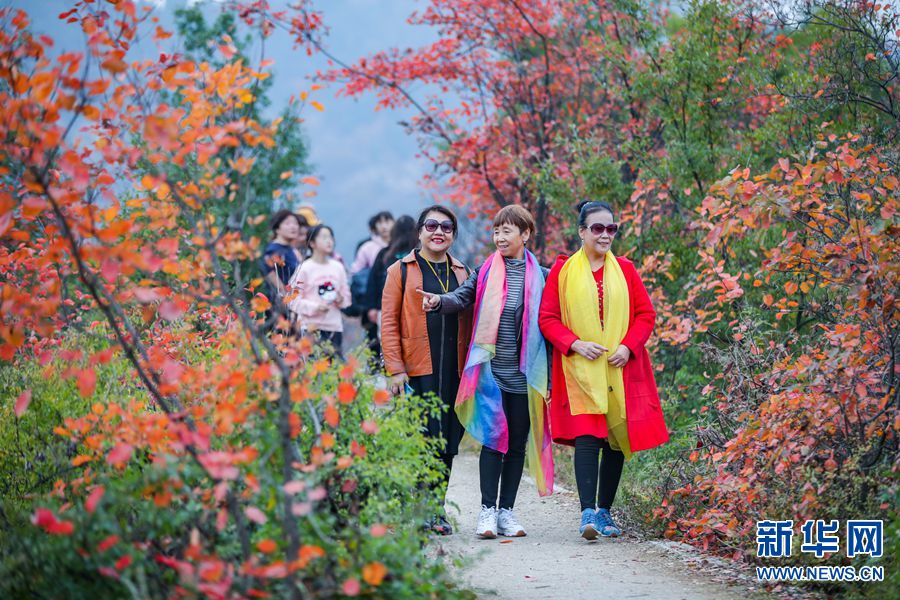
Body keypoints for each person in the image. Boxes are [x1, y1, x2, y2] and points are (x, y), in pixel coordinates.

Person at [539, 200, 669, 540]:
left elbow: (646, 315)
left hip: (617, 369)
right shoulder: (562, 271)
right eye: (597, 228)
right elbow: (547, 319)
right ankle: (586, 514)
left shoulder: (625, 269)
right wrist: (575, 344)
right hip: (579, 369)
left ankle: (605, 511)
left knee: (614, 439)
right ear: (582, 231)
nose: (605, 234)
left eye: (611, 228)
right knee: (587, 436)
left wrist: (628, 346)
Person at [420, 205, 552, 539]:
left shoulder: (545, 276)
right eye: (496, 231)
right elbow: (462, 297)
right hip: (492, 374)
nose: (499, 237)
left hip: (526, 375)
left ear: (525, 234)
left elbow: (553, 319)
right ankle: (487, 512)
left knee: (517, 444)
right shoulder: (486, 271)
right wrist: (439, 301)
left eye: (507, 231)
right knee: (495, 441)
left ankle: (507, 510)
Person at [380, 206, 472, 535]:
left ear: (453, 235)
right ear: (419, 232)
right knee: (422, 439)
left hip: (454, 371)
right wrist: (395, 369)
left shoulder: (462, 271)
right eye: (431, 225)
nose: (439, 231)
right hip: (418, 369)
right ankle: (419, 510)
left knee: (447, 441)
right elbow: (388, 322)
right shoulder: (400, 270)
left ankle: (437, 508)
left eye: (447, 227)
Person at [288, 225, 351, 359]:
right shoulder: (305, 268)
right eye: (324, 237)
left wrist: (341, 300)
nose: (329, 241)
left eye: (330, 237)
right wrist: (315, 307)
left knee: (333, 371)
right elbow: (292, 300)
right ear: (312, 243)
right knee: (312, 370)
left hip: (334, 326)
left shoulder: (338, 267)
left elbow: (347, 299)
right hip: (310, 327)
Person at [364, 215, 417, 338]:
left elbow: (373, 282)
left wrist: (372, 307)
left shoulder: (385, 254)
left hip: (386, 308)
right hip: (414, 309)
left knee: (389, 345)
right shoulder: (419, 253)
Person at [350, 211, 395, 353]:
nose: (384, 226)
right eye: (380, 223)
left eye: (387, 221)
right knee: (374, 338)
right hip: (373, 298)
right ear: (375, 227)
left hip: (395, 298)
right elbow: (356, 271)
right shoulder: (367, 247)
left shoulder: (399, 245)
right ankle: (376, 371)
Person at [260, 210, 305, 323]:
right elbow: (273, 278)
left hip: (295, 304)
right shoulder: (274, 250)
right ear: (277, 228)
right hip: (281, 308)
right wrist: (289, 304)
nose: (293, 227)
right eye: (288, 223)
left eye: (295, 223)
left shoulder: (291, 249)